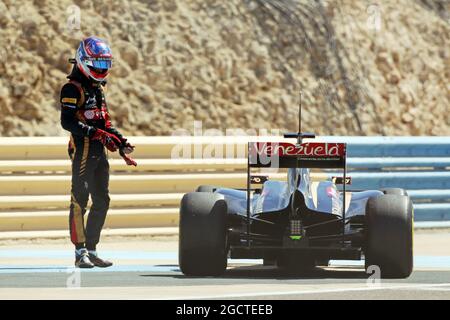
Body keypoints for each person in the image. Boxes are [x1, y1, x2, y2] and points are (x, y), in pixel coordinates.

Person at [60, 36, 137, 268]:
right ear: (84, 61)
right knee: (79, 200)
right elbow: (67, 123)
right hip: (83, 149)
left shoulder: (98, 90)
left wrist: (121, 141)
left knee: (102, 200)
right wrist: (95, 133)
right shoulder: (71, 89)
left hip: (99, 151)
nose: (102, 70)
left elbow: (105, 122)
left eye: (105, 65)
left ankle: (92, 249)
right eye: (98, 64)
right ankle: (79, 251)